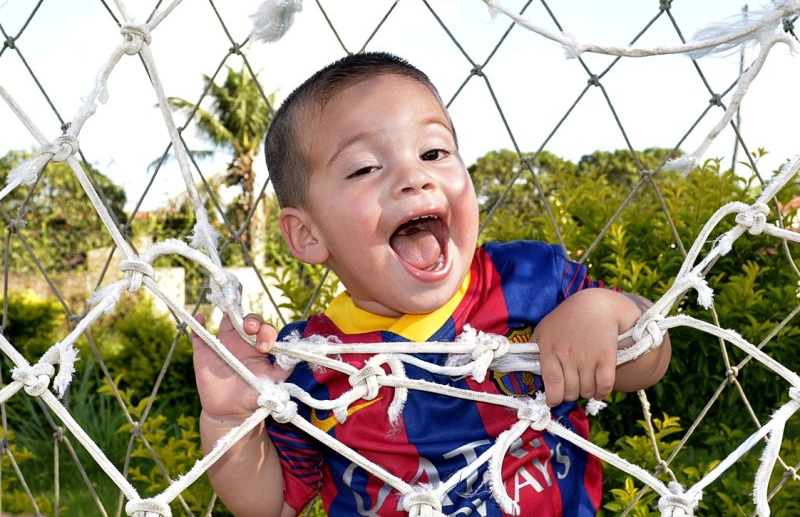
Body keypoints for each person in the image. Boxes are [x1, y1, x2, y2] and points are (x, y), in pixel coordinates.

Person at [192, 51, 672, 517]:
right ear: (308, 234)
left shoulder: (530, 281)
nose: (413, 176)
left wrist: (603, 311)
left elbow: (647, 362)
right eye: (364, 168)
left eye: (434, 152)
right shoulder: (313, 364)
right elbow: (271, 504)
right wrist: (229, 421)